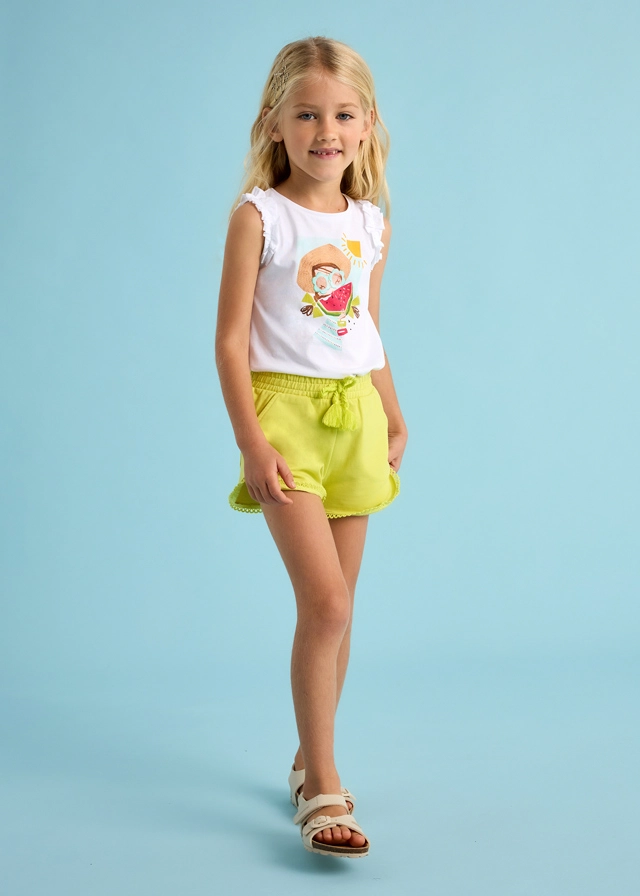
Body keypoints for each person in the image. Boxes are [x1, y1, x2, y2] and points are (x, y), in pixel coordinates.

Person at [215, 36, 408, 859]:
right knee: (323, 605)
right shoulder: (259, 217)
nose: (325, 131)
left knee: (341, 609)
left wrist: (394, 414)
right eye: (306, 115)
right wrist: (252, 444)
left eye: (342, 114)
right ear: (275, 124)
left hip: (355, 416)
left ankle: (306, 759)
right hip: (286, 423)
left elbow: (365, 331)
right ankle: (324, 783)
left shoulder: (371, 223)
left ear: (366, 125)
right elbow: (230, 344)